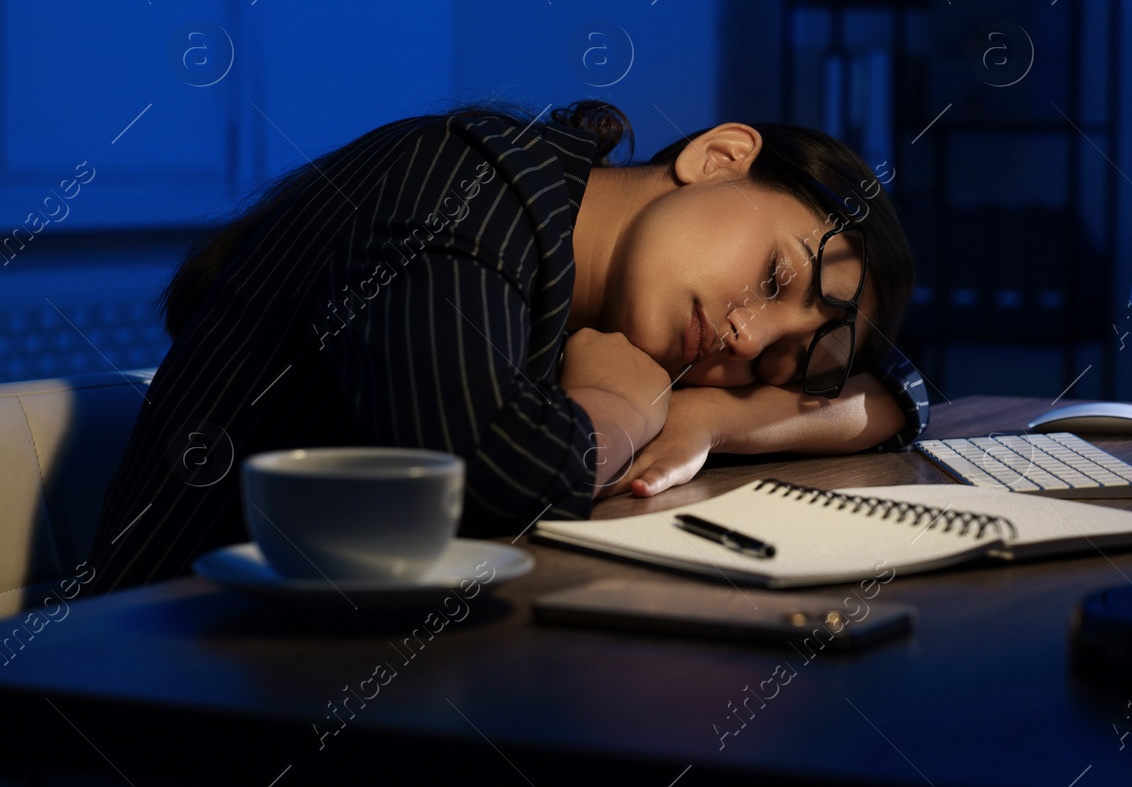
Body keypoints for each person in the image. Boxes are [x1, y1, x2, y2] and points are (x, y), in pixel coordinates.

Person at [86, 100, 927, 593]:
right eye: (778, 279)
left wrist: (709, 417)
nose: (746, 337)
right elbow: (487, 472)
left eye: (778, 364)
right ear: (719, 157)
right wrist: (625, 409)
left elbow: (897, 389)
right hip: (156, 704)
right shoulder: (466, 185)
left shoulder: (562, 252)